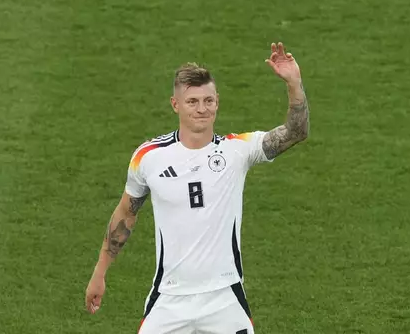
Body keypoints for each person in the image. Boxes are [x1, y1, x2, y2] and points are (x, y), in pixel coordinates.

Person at [85, 42, 310, 333]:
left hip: (224, 296)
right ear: (175, 104)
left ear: (217, 101)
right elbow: (126, 214)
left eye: (208, 100)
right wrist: (99, 273)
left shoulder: (236, 150)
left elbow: (296, 131)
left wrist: (294, 83)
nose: (202, 109)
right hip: (169, 297)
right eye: (193, 101)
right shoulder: (148, 157)